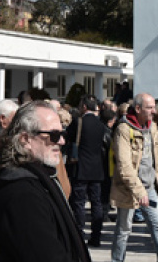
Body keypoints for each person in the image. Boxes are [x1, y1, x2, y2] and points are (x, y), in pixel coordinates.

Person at [0, 101, 91, 262]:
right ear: (25, 139)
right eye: (54, 135)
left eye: (63, 134)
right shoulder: (22, 194)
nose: (62, 141)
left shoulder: (39, 178)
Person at [110, 93, 158, 262]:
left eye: (154, 107)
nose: (153, 111)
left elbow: (155, 159)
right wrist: (139, 191)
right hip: (129, 189)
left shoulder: (152, 127)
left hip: (150, 187)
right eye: (149, 108)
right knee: (124, 230)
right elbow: (124, 166)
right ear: (138, 108)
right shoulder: (124, 129)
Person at [68, 96, 111, 247]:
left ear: (84, 106)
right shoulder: (101, 125)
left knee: (79, 202)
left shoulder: (78, 122)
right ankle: (96, 236)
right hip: (97, 168)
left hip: (80, 167)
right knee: (96, 203)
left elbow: (69, 138)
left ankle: (79, 234)